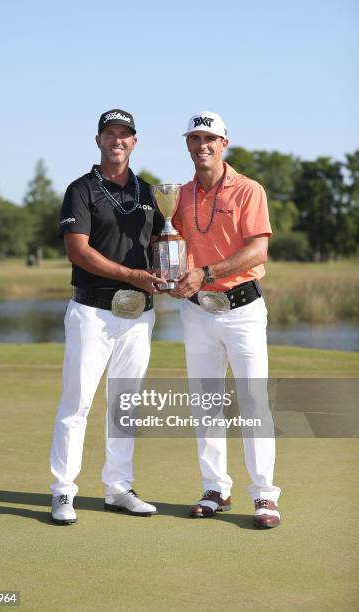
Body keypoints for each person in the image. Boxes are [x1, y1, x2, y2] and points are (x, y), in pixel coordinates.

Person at [50, 109, 164, 524]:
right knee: (76, 404)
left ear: (135, 142)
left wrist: (167, 269)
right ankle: (63, 491)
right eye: (110, 133)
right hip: (92, 312)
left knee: (125, 406)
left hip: (139, 315)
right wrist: (132, 274)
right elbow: (78, 250)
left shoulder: (151, 192)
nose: (118, 140)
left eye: (125, 134)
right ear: (98, 140)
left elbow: (160, 243)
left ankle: (118, 488)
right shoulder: (80, 190)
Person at [171, 111, 281, 528]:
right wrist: (175, 275)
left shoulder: (249, 190)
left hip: (243, 310)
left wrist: (207, 272)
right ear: (187, 144)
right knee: (205, 404)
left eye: (210, 138)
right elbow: (174, 245)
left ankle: (265, 495)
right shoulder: (179, 195)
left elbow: (257, 251)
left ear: (224, 144)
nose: (203, 145)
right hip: (197, 311)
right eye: (195, 138)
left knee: (253, 402)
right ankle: (215, 487)